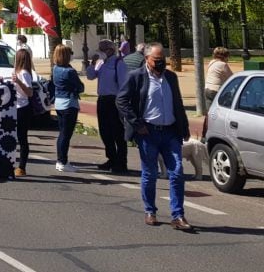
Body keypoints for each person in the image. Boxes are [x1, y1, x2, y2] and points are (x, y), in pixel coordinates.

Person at [116, 43, 192, 230]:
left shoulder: (171, 77)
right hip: (148, 133)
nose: (161, 64)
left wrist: (184, 127)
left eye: (163, 60)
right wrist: (137, 124)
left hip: (170, 132)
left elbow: (178, 103)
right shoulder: (137, 77)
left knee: (177, 173)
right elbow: (121, 101)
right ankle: (150, 211)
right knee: (150, 174)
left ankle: (178, 215)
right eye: (157, 61)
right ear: (147, 60)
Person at [85, 38, 128, 172]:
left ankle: (121, 162)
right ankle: (111, 158)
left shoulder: (119, 63)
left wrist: (122, 102)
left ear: (110, 50)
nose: (100, 52)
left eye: (102, 49)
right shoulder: (101, 63)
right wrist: (92, 63)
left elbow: (123, 84)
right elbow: (91, 76)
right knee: (105, 132)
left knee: (118, 132)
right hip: (103, 100)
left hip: (114, 100)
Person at [52, 43, 83, 173]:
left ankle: (60, 160)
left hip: (59, 102)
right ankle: (63, 161)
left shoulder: (55, 69)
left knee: (62, 133)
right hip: (69, 103)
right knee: (66, 134)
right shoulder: (70, 71)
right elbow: (81, 87)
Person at [11, 49, 36, 177]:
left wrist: (18, 81)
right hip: (15, 107)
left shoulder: (24, 73)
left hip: (22, 108)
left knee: (22, 138)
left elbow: (29, 92)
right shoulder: (17, 72)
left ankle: (22, 167)